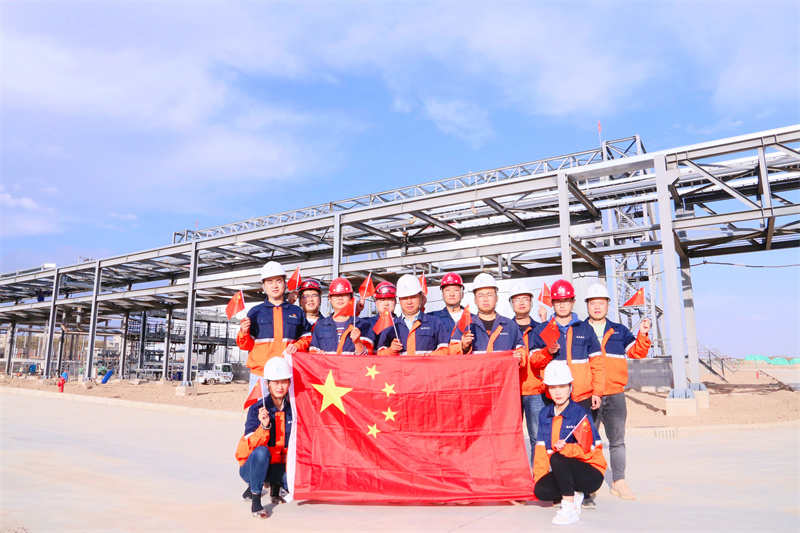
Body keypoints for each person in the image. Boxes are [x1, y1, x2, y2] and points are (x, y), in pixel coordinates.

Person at [584, 283, 651, 502]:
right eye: (593, 303)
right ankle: (589, 483)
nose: (597, 307)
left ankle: (619, 482)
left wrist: (643, 334)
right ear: (587, 306)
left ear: (607, 305)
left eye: (601, 303)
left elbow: (637, 352)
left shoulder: (619, 331)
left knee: (617, 441)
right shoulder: (579, 331)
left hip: (614, 394)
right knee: (588, 441)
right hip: (589, 394)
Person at [533, 362, 607, 525]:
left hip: (591, 473)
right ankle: (576, 494)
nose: (557, 392)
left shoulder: (580, 414)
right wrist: (540, 478)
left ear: (570, 387)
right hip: (565, 471)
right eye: (553, 387)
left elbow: (590, 449)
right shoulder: (545, 414)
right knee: (541, 490)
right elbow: (541, 449)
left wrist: (567, 449)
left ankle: (569, 506)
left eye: (562, 386)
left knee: (557, 458)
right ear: (548, 390)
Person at [530, 280, 605, 419]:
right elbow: (534, 361)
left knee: (584, 432)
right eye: (558, 301)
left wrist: (597, 392)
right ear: (552, 303)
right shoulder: (542, 330)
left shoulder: (585, 329)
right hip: (553, 397)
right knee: (555, 433)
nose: (562, 305)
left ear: (573, 302)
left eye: (566, 301)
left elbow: (597, 364)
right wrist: (547, 352)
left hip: (582, 397)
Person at [237, 262, 312, 392]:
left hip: (288, 374)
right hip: (261, 375)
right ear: (263, 286)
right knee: (259, 406)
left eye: (279, 281)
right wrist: (243, 332)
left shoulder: (296, 312)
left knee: (288, 407)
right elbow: (246, 346)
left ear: (285, 283)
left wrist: (297, 346)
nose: (274, 285)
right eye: (269, 281)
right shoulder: (255, 312)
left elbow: (308, 337)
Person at [236, 357, 294, 519]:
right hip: (253, 466)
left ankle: (276, 486)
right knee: (262, 452)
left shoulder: (293, 410)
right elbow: (250, 446)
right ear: (267, 384)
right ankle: (255, 496)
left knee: (300, 480)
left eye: (284, 382)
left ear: (289, 383)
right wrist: (264, 426)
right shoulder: (257, 409)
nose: (280, 387)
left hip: (278, 466)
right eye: (275, 382)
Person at [450, 273, 526, 366]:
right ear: (475, 300)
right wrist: (463, 346)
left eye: (489, 295)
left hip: (502, 375)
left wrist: (520, 356)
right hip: (476, 375)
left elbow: (521, 350)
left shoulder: (510, 326)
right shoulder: (465, 325)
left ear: (496, 298)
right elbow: (452, 354)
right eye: (481, 295)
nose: (485, 299)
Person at [509, 282, 546, 459]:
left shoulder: (541, 328)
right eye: (517, 299)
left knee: (537, 437)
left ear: (531, 302)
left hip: (535, 391)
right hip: (511, 392)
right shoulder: (504, 328)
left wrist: (545, 322)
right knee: (510, 438)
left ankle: (538, 473)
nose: (521, 303)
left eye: (525, 298)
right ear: (511, 303)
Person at [376, 275, 451, 356]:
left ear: (420, 297)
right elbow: (380, 355)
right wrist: (391, 350)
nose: (409, 302)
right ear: (399, 300)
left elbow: (445, 350)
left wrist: (430, 356)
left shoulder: (434, 323)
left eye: (413, 297)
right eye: (405, 298)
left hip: (426, 364)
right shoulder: (391, 326)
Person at [310, 277, 375, 354]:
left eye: (344, 295)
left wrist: (358, 343)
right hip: (327, 363)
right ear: (330, 298)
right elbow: (312, 352)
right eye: (336, 296)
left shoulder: (363, 325)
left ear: (351, 297)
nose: (340, 298)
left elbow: (367, 356)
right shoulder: (319, 326)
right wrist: (317, 354)